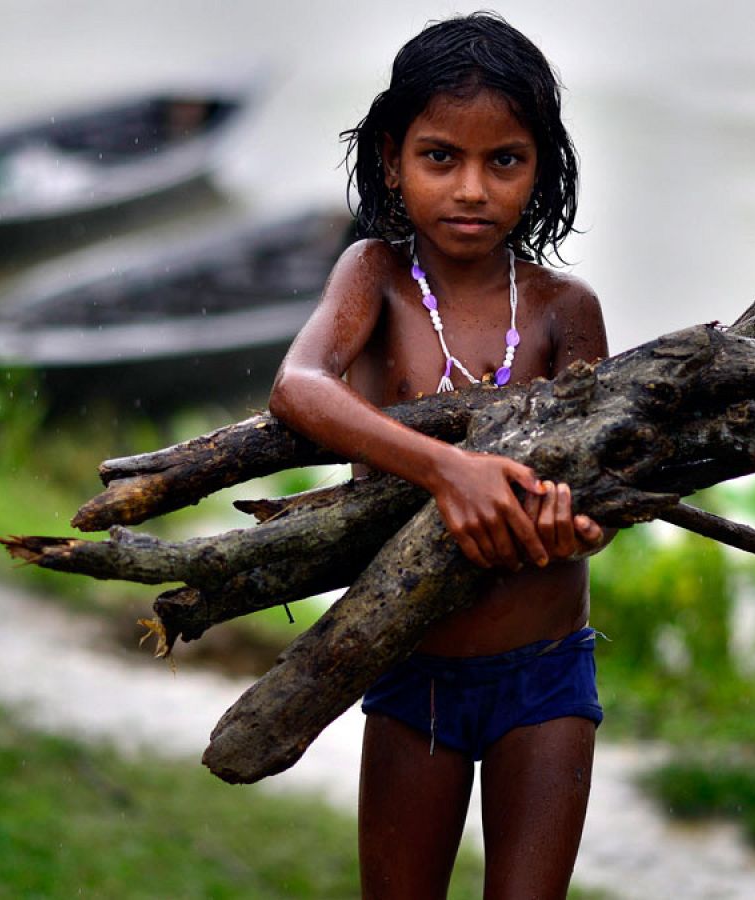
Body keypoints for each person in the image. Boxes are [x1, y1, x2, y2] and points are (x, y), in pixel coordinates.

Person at [267, 12, 612, 899]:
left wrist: (577, 521)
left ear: (541, 169)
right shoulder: (373, 277)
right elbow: (300, 385)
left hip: (545, 673)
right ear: (391, 158)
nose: (471, 188)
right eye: (438, 157)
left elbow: (600, 472)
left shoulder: (562, 308)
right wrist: (446, 467)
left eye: (504, 160)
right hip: (412, 660)